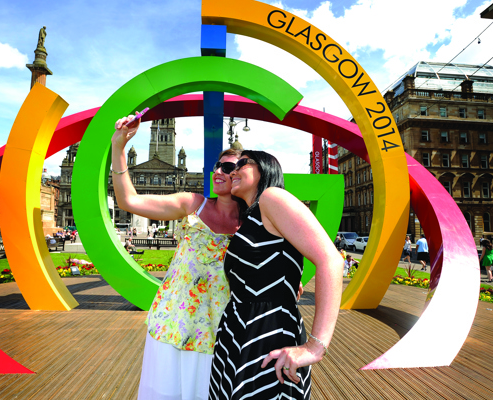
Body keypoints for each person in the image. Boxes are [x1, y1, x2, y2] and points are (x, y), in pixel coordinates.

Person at [111, 113, 244, 400]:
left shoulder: (257, 222)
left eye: (229, 166)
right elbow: (128, 201)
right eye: (217, 165)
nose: (219, 170)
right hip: (176, 321)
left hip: (225, 328)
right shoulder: (191, 203)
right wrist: (119, 147)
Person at [209, 150, 343, 400]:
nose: (233, 170)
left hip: (267, 332)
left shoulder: (272, 198)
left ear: (266, 169)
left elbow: (331, 260)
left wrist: (315, 347)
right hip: (238, 331)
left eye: (242, 163)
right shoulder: (252, 217)